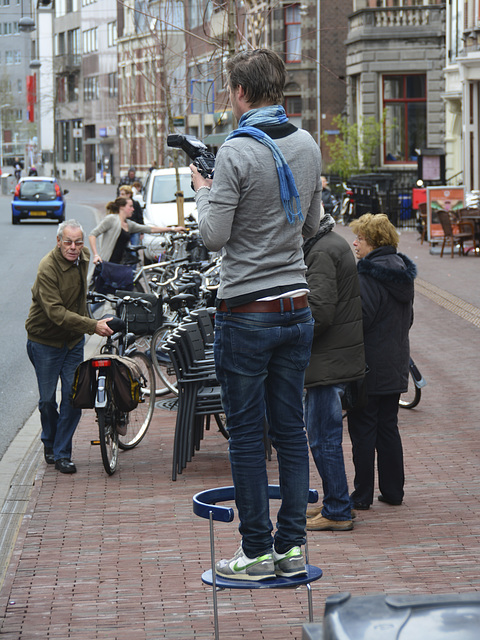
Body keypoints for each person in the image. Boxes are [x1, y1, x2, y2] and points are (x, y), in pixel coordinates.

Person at [191, 48, 322, 581]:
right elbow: (313, 222)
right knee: (291, 432)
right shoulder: (307, 144)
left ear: (241, 93)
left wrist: (203, 194)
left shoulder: (236, 151)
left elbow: (213, 236)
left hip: (247, 311)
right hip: (297, 306)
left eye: (229, 90)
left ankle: (256, 551)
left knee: (246, 437)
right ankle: (292, 548)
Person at [26, 220, 114, 474]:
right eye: (68, 242)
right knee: (46, 401)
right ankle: (49, 442)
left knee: (73, 397)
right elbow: (56, 313)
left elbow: (81, 295)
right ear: (58, 242)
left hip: (73, 341)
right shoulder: (47, 268)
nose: (73, 247)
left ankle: (63, 452)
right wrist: (91, 324)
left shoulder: (84, 257)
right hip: (45, 342)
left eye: (78, 242)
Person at [347, 213, 417, 510]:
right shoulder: (402, 272)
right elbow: (408, 319)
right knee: (388, 427)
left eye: (360, 239)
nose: (355, 243)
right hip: (396, 362)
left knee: (363, 430)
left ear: (373, 242)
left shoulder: (367, 276)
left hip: (369, 366)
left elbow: (360, 321)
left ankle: (362, 495)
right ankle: (393, 490)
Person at [303, 213, 365, 532]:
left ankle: (338, 509)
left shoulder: (321, 251)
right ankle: (336, 501)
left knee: (323, 438)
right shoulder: (328, 244)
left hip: (327, 361)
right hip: (334, 358)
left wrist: (292, 334)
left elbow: (319, 312)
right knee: (324, 437)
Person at [88, 196, 184, 266]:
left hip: (121, 265)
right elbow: (92, 234)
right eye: (130, 206)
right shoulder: (111, 219)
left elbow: (149, 229)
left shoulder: (129, 224)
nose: (133, 209)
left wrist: (173, 229)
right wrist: (96, 255)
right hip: (108, 263)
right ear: (122, 207)